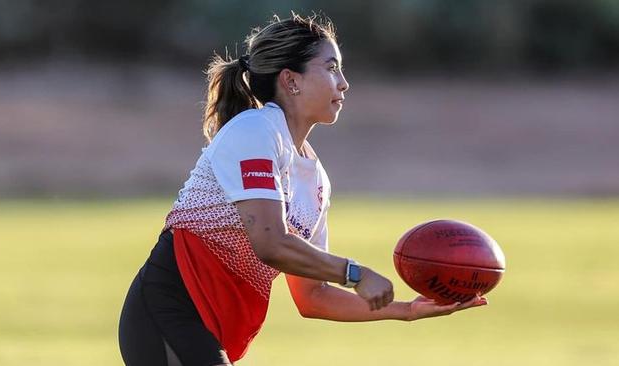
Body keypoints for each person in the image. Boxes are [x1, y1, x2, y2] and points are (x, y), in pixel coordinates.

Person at [118, 13, 487, 366]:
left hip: (214, 327)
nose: (343, 82)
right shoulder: (255, 130)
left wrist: (406, 310)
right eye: (330, 68)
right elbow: (271, 243)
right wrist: (354, 273)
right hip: (170, 308)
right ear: (291, 80)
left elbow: (313, 297)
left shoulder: (315, 179)